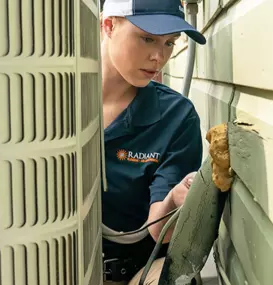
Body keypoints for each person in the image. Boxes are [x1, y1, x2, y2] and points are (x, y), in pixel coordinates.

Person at [100, 0, 206, 284]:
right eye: (147, 38)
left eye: (170, 43)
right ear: (108, 25)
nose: (159, 56)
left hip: (138, 271)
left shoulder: (176, 117)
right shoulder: (50, 102)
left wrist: (176, 198)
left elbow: (161, 231)